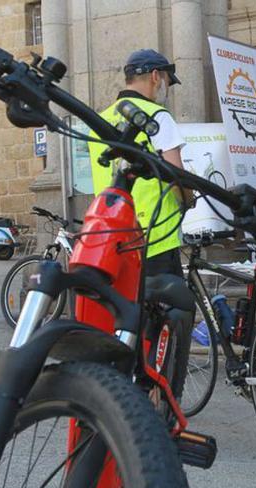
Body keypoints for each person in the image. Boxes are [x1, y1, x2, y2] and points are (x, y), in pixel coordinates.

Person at [87, 48, 194, 402]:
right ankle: (162, 395)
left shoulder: (102, 118)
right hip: (156, 237)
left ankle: (120, 389)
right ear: (154, 76)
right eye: (163, 79)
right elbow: (177, 173)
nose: (163, 86)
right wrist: (189, 198)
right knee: (172, 316)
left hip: (114, 239)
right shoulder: (158, 117)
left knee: (124, 317)